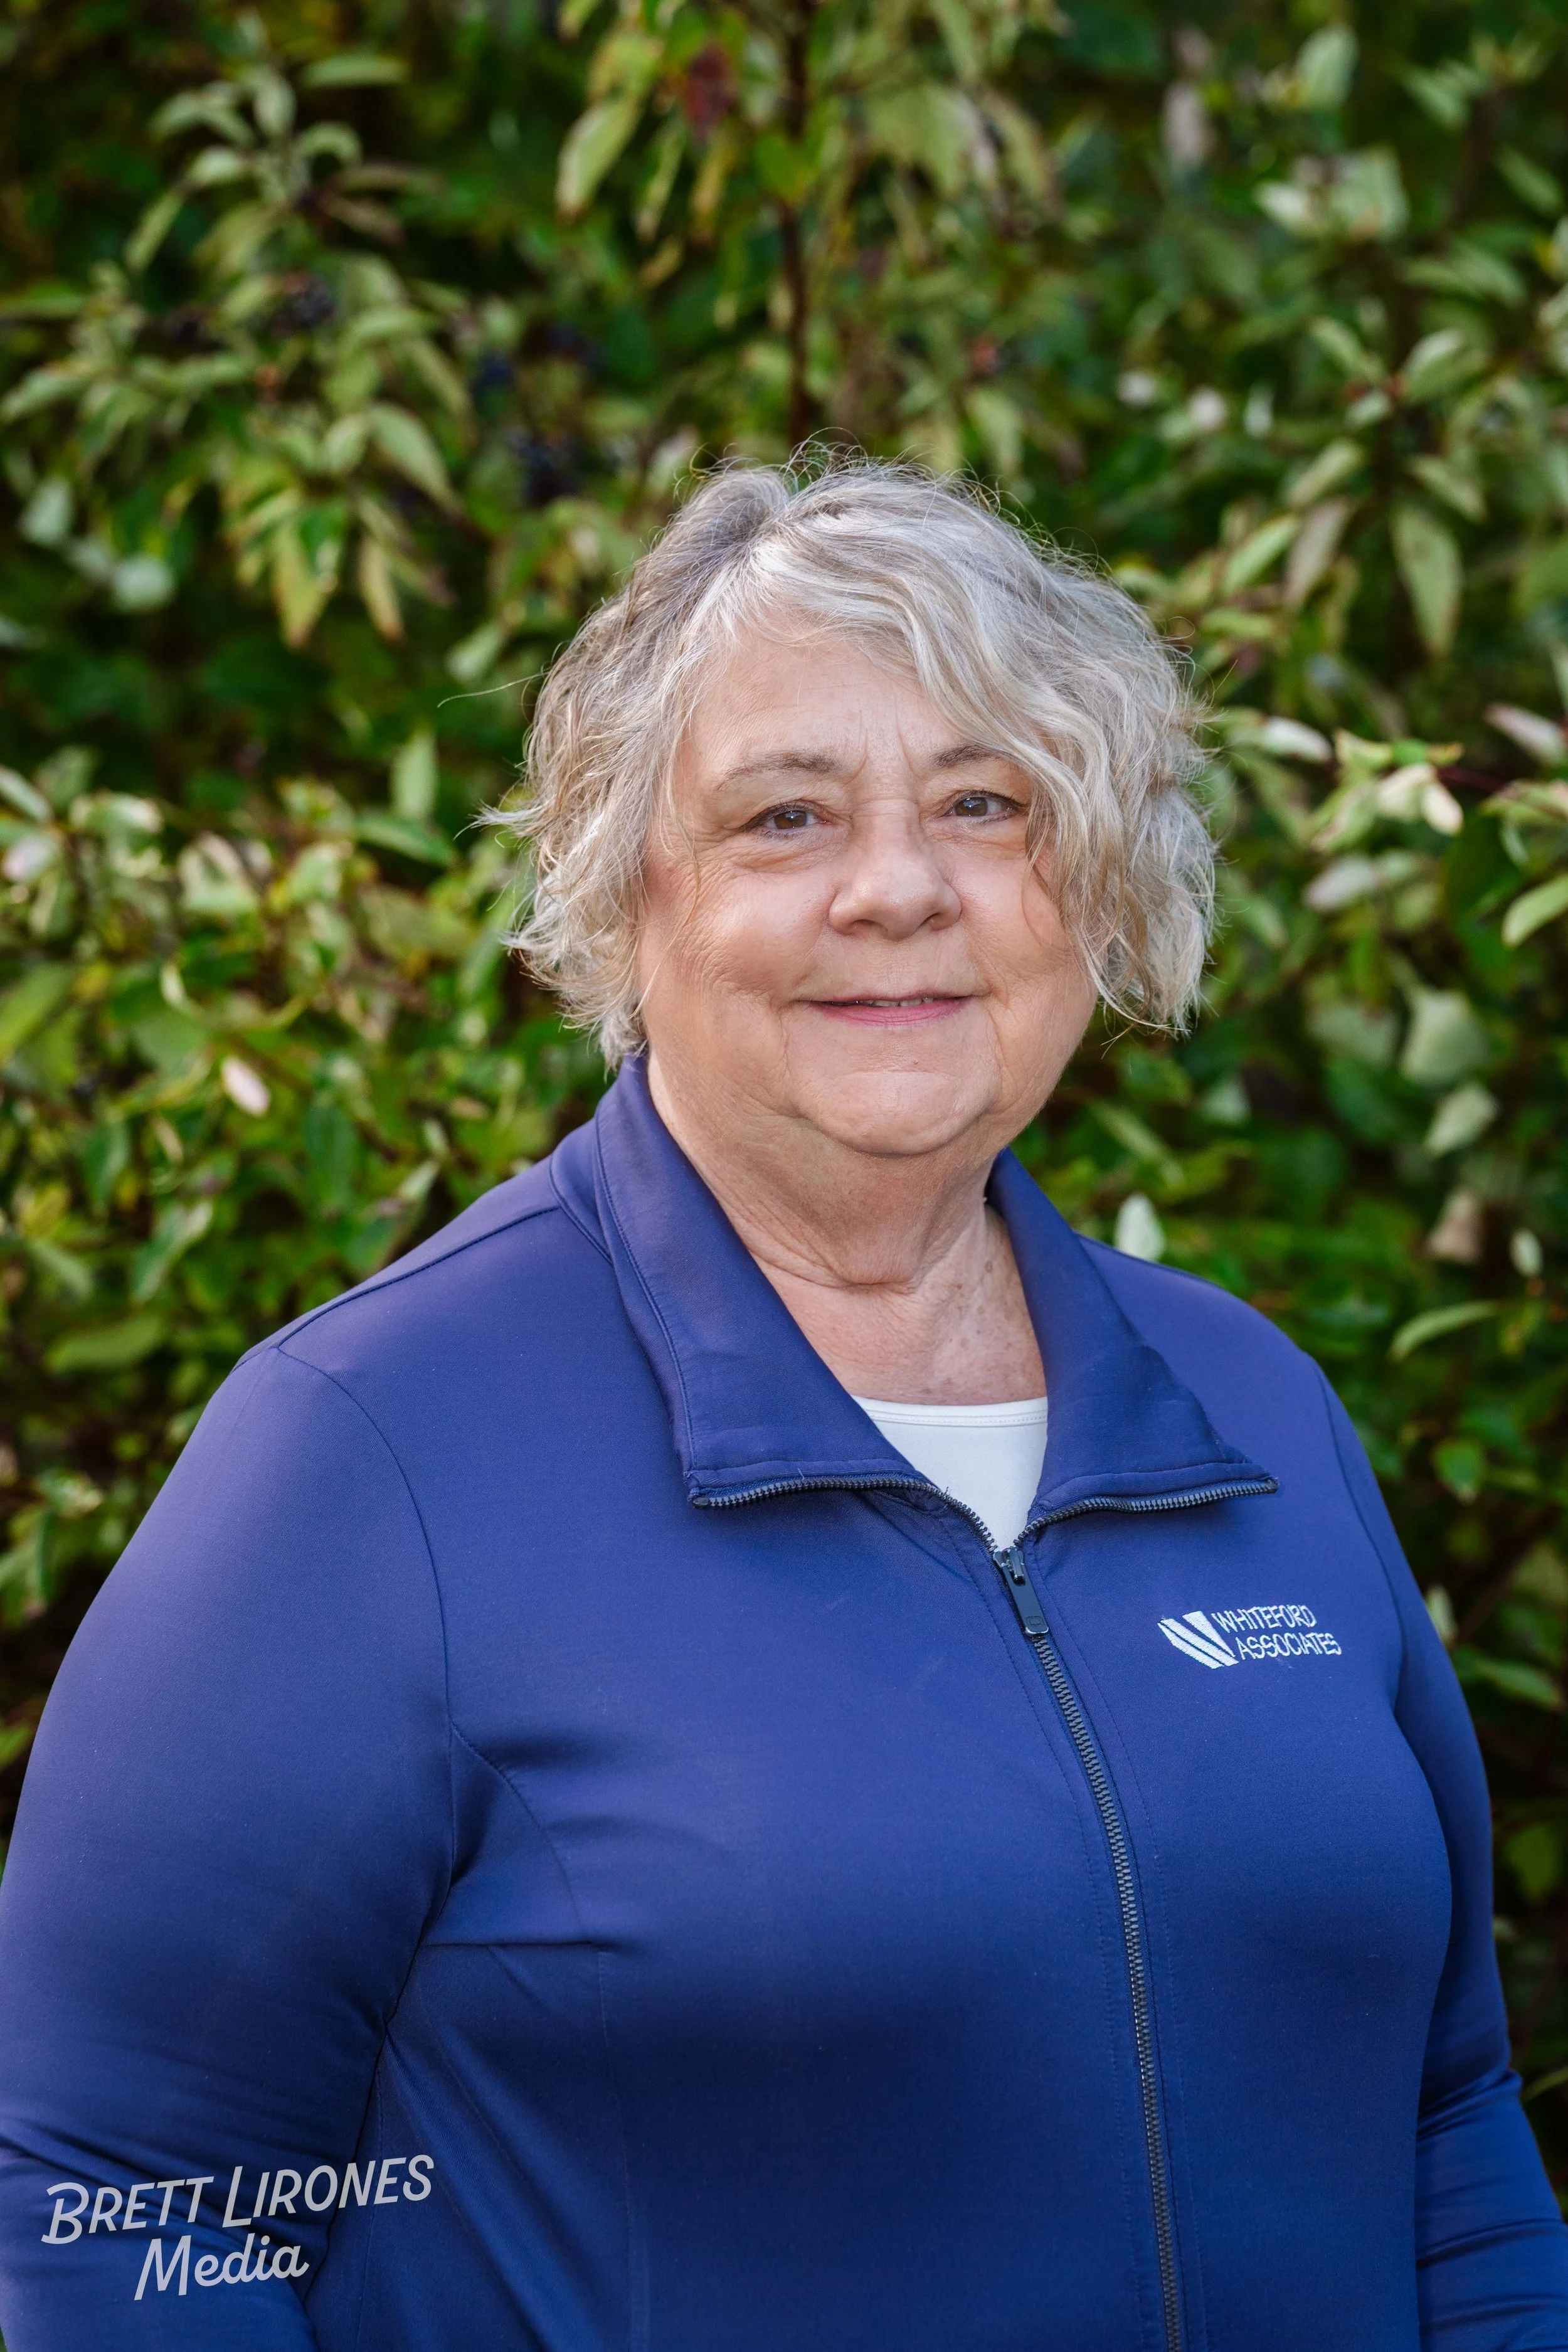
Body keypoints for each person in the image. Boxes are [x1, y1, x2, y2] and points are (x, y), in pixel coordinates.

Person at [0, 460, 1564, 2352]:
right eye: (784, 814)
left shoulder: (1252, 1405)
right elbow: (108, 2208)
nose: (896, 886)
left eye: (985, 804)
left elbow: (1446, 2122)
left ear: (1092, 879)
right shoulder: (366, 1453)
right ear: (622, 894)